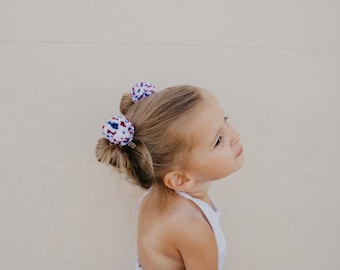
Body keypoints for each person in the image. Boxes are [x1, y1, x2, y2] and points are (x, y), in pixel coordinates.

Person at [95, 81, 244, 270]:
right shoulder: (193, 229)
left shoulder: (156, 192)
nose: (235, 134)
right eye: (218, 141)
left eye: (226, 119)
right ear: (180, 179)